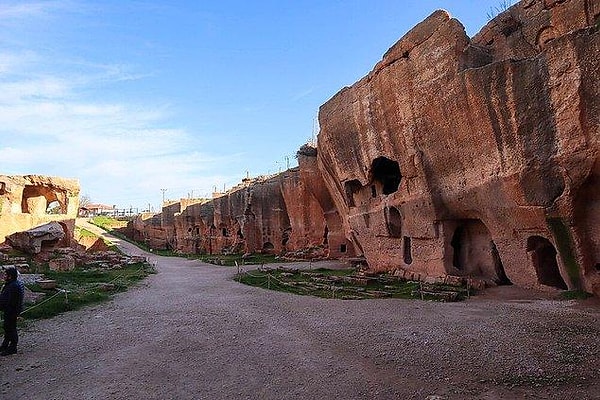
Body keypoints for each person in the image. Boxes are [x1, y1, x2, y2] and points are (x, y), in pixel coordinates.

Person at [0, 266, 25, 356]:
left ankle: (13, 347)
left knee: (11, 328)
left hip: (11, 310)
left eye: (6, 274)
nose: (4, 276)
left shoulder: (13, 286)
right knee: (7, 327)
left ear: (10, 276)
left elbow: (11, 301)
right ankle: (5, 345)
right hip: (9, 310)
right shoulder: (11, 284)